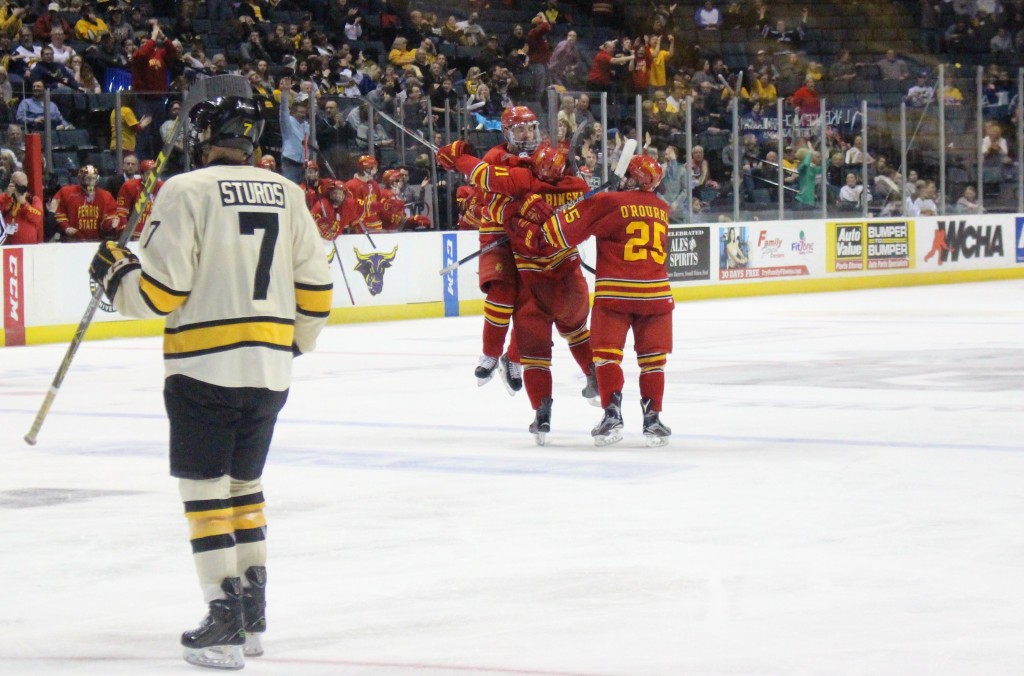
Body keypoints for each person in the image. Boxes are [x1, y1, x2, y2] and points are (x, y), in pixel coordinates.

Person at [86, 95, 332, 670]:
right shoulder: (289, 193)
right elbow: (316, 291)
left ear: (204, 138)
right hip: (271, 371)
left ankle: (222, 619)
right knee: (245, 488)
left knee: (205, 495)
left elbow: (158, 295)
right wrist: (290, 344)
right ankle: (252, 614)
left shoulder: (185, 190)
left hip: (203, 369)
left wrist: (114, 272)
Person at [438, 139, 596, 443]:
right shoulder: (577, 187)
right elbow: (599, 216)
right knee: (577, 333)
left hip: (534, 289)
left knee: (534, 353)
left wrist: (458, 157)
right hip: (570, 282)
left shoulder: (521, 188)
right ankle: (602, 390)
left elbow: (486, 177)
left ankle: (542, 415)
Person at [510, 154, 673, 447]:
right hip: (657, 295)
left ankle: (612, 415)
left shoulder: (609, 202)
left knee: (607, 356)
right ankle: (653, 420)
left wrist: (562, 212)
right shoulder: (662, 207)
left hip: (617, 294)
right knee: (653, 362)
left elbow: (558, 234)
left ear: (629, 176)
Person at [51, 164, 117, 241]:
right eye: (87, 178)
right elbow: (56, 212)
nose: (90, 182)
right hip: (71, 241)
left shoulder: (106, 196)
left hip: (97, 241)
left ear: (97, 179)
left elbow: (110, 215)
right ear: (80, 178)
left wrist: (111, 222)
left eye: (93, 178)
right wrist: (66, 227)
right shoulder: (65, 192)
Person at [111, 159, 162, 238]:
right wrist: (126, 232)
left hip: (156, 235)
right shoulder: (129, 186)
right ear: (142, 174)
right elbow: (121, 212)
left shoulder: (162, 187)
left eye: (154, 174)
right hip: (134, 236)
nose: (152, 177)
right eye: (148, 174)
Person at [277, 78, 309, 184]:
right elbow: (283, 110)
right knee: (290, 188)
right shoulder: (288, 122)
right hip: (290, 162)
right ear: (293, 113)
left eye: (304, 112)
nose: (303, 114)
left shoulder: (306, 125)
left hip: (304, 163)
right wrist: (285, 92)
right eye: (300, 112)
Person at [0, 170, 44, 245]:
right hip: (6, 245)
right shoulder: (5, 197)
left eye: (20, 186)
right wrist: (7, 197)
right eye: (14, 183)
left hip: (28, 247)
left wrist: (24, 204)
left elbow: (38, 217)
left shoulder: (33, 200)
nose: (17, 188)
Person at [344, 154, 383, 232]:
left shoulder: (374, 184)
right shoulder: (350, 185)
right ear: (364, 168)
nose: (375, 170)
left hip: (377, 227)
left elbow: (379, 205)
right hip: (360, 228)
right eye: (371, 167)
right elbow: (347, 209)